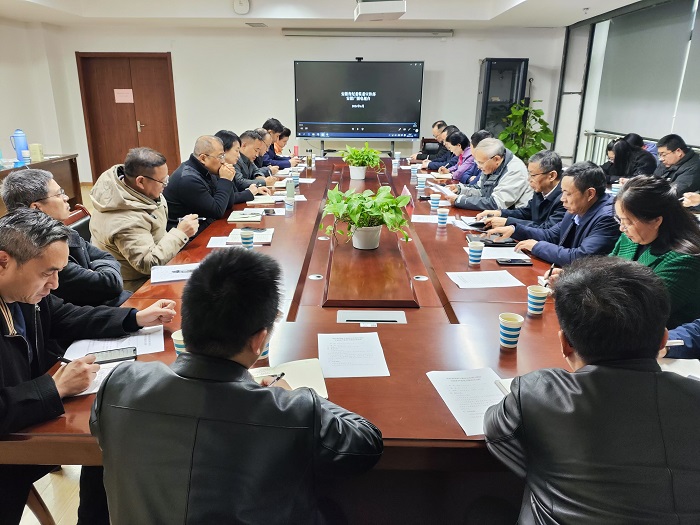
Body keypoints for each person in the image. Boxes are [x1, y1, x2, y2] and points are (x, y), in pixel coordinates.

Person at [91, 248, 384, 524]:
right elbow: (367, 444)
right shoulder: (291, 410)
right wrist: (301, 396)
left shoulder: (119, 383)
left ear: (187, 320)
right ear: (259, 340)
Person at [484, 256, 700, 524]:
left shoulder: (537, 392)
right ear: (663, 340)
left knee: (484, 508)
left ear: (565, 343)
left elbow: (499, 437)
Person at [0, 208, 177, 525]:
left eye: (59, 272)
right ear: (3, 262)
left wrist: (134, 318)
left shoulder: (24, 293)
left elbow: (67, 316)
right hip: (9, 449)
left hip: (27, 423)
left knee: (109, 445)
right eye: (47, 273)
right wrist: (54, 388)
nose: (55, 284)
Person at [1, 168, 130, 307]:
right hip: (96, 310)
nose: (66, 197)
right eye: (58, 194)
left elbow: (107, 257)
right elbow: (109, 284)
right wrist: (95, 268)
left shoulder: (65, 232)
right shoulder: (39, 252)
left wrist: (95, 267)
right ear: (37, 208)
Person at [90, 147, 199, 292]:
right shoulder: (125, 220)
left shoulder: (138, 192)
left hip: (157, 270)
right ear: (140, 181)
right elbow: (148, 264)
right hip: (135, 286)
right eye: (162, 181)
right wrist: (181, 233)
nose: (165, 186)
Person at [486, 161, 619, 266]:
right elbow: (550, 235)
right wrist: (515, 229)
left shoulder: (608, 217)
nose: (562, 199)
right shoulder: (578, 206)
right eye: (562, 192)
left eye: (568, 193)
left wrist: (537, 246)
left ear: (590, 194)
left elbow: (581, 257)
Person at [611, 175, 700, 328]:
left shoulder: (685, 260)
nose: (622, 228)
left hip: (658, 336)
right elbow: (603, 271)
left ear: (656, 220)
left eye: (628, 222)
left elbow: (639, 311)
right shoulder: (630, 237)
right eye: (620, 220)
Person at [164, 135, 268, 237]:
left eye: (223, 156)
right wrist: (225, 180)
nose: (223, 161)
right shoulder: (188, 179)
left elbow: (229, 203)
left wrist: (228, 178)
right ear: (203, 158)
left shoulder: (208, 170)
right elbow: (217, 211)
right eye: (220, 157)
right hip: (190, 237)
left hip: (206, 226)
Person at [476, 150, 566, 230]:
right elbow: (527, 212)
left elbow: (547, 229)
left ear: (552, 176)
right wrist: (499, 213)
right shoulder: (541, 189)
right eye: (529, 174)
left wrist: (507, 222)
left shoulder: (565, 198)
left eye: (533, 175)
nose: (529, 179)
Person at [444, 138, 532, 211]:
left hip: (514, 219)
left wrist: (460, 200)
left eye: (481, 163)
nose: (478, 166)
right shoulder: (490, 166)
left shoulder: (514, 170)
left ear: (496, 159)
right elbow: (481, 191)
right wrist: (460, 189)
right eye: (477, 162)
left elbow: (496, 204)